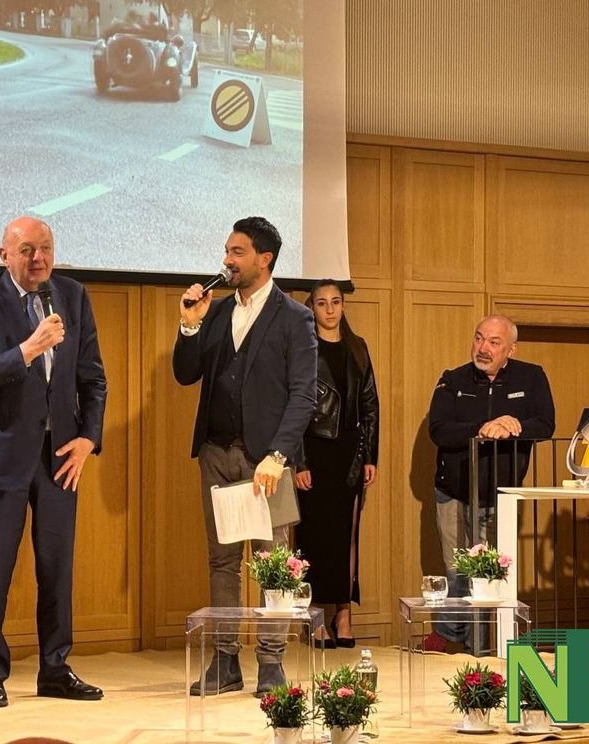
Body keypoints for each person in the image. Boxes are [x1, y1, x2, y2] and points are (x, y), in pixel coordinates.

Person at [0, 216, 108, 707]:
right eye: (26, 250)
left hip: (59, 456)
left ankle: (55, 669)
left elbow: (93, 378)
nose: (38, 258)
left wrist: (88, 439)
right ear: (5, 255)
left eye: (45, 248)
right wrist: (28, 349)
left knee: (57, 569)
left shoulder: (72, 296)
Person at [173, 216, 317, 697]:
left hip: (266, 460)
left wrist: (279, 455)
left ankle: (272, 662)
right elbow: (185, 374)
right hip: (216, 453)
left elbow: (303, 395)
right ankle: (225, 661)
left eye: (237, 252)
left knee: (274, 563)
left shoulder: (294, 318)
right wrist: (189, 325)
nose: (227, 260)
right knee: (222, 562)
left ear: (264, 259)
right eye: (227, 251)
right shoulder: (215, 312)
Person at [425, 314, 554, 652]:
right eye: (479, 338)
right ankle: (451, 636)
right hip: (454, 491)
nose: (483, 347)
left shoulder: (531, 376)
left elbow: (545, 424)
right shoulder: (453, 380)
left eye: (494, 342)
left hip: (501, 496)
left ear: (511, 349)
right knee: (457, 570)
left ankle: (485, 644)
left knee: (491, 573)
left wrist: (513, 426)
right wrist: (484, 427)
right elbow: (439, 430)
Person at [293, 280, 378, 649]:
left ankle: (343, 613)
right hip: (313, 451)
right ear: (311, 307)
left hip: (349, 453)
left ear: (343, 305)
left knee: (347, 535)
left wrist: (370, 456)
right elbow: (294, 408)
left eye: (336, 302)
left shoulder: (358, 347)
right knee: (313, 535)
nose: (330, 309)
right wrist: (298, 461)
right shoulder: (302, 347)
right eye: (322, 303)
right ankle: (314, 615)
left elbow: (371, 405)